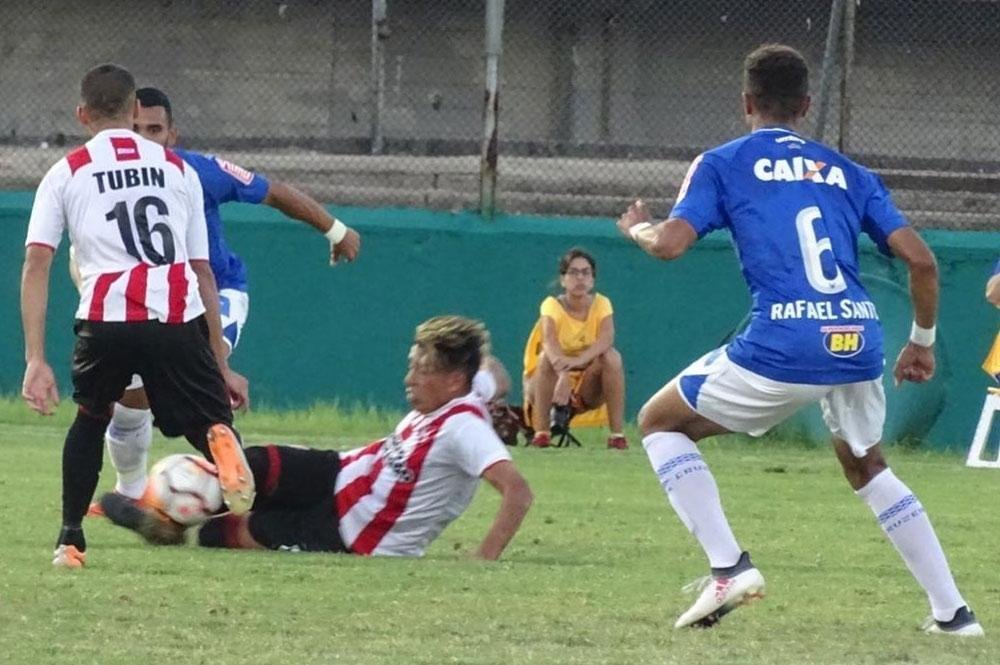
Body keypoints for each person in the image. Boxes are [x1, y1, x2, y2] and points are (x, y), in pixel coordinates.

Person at [616, 44, 982, 636]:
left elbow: (670, 244)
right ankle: (955, 615)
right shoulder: (849, 172)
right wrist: (922, 341)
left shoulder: (722, 163)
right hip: (857, 337)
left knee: (660, 423)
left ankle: (728, 567)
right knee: (867, 466)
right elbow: (922, 261)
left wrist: (637, 228)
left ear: (746, 103)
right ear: (806, 106)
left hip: (785, 337)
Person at [21, 64, 255, 569]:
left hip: (105, 313)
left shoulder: (67, 171)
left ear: (82, 114)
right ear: (133, 113)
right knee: (204, 415)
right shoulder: (177, 169)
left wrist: (35, 358)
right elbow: (203, 272)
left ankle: (70, 541)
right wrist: (219, 363)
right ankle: (214, 435)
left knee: (91, 418)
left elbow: (37, 262)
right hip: (172, 309)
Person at [84, 86, 362, 510]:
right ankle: (132, 492)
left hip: (217, 291)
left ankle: (241, 496)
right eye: (136, 128)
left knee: (196, 378)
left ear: (172, 135)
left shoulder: (200, 171)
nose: (145, 138)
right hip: (154, 300)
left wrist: (336, 230)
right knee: (130, 394)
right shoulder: (103, 179)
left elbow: (273, 192)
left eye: (155, 129)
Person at [101, 315, 534, 559]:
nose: (409, 379)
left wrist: (484, 557)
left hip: (351, 532)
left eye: (422, 370)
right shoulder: (468, 388)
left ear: (454, 379)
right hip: (338, 472)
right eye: (412, 364)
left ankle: (177, 527)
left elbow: (518, 491)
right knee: (252, 463)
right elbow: (496, 373)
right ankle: (163, 512)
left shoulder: (465, 429)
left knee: (228, 535)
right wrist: (479, 367)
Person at [523, 248, 627, 449]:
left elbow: (606, 339)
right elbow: (549, 342)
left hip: (586, 388)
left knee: (612, 357)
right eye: (573, 272)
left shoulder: (602, 303)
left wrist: (577, 362)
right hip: (550, 383)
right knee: (545, 358)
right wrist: (564, 375)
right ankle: (542, 433)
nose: (579, 278)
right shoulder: (551, 305)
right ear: (563, 279)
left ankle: (617, 436)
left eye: (585, 272)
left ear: (592, 279)